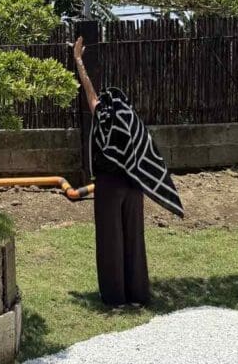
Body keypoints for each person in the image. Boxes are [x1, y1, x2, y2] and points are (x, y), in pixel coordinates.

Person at [73, 36, 184, 307]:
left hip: (109, 186)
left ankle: (115, 297)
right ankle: (138, 294)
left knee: (110, 241)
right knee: (134, 240)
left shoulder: (103, 116)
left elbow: (91, 94)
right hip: (135, 185)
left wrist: (78, 61)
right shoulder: (132, 122)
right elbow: (149, 154)